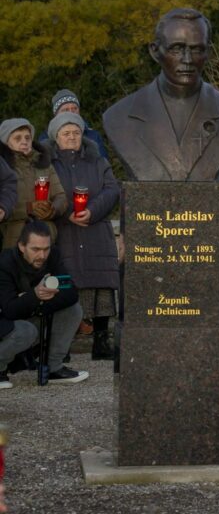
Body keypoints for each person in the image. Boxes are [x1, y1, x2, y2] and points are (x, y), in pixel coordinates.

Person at [102, 8, 219, 182]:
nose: (187, 59)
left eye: (196, 50)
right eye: (177, 49)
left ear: (208, 52)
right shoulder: (119, 117)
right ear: (155, 51)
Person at [45, 112, 120, 360]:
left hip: (96, 230)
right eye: (66, 133)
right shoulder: (47, 163)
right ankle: (62, 346)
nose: (72, 137)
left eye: (76, 133)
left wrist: (92, 211)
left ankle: (101, 341)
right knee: (66, 285)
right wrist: (65, 212)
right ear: (56, 137)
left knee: (101, 287)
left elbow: (112, 189)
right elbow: (44, 192)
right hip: (63, 231)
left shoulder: (97, 161)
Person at [0, 221, 87, 385]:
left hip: (31, 315)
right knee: (26, 330)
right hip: (7, 326)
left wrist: (34, 300)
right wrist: (35, 295)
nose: (42, 255)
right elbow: (9, 310)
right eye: (35, 249)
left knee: (73, 310)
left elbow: (71, 293)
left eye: (46, 249)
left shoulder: (53, 256)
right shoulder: (5, 263)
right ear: (21, 246)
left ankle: (53, 368)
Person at [0, 119, 67, 249]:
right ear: (6, 142)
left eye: (27, 137)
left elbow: (61, 196)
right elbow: (3, 203)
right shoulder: (3, 168)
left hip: (46, 238)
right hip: (14, 239)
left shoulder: (44, 164)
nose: (24, 141)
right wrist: (28, 208)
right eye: (17, 138)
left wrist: (52, 209)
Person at [38, 89, 110, 159]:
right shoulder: (46, 140)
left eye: (74, 108)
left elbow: (104, 164)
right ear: (56, 115)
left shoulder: (93, 135)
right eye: (65, 110)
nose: (71, 112)